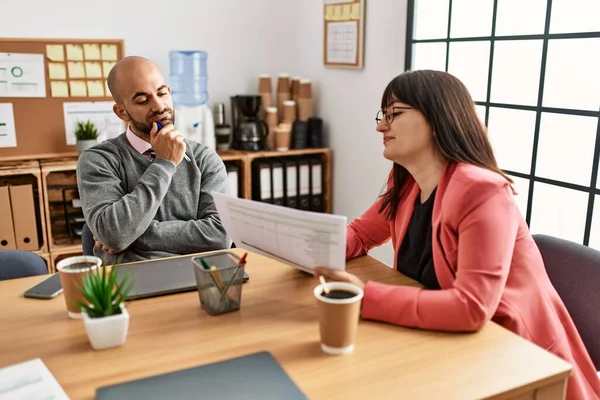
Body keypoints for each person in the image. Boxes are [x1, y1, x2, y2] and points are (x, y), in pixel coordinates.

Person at [314, 70, 600, 399]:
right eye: (383, 115)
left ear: (438, 118)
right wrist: (309, 245)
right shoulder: (406, 183)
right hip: (444, 342)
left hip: (513, 360)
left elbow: (471, 307)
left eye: (394, 114)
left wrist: (367, 298)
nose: (381, 126)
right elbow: (360, 235)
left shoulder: (482, 191)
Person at [76, 56, 231, 264]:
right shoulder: (98, 160)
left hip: (197, 275)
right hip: (131, 283)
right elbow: (114, 234)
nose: (159, 106)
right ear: (122, 112)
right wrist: (164, 164)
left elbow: (220, 236)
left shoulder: (204, 159)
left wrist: (131, 234)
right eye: (142, 100)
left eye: (162, 93)